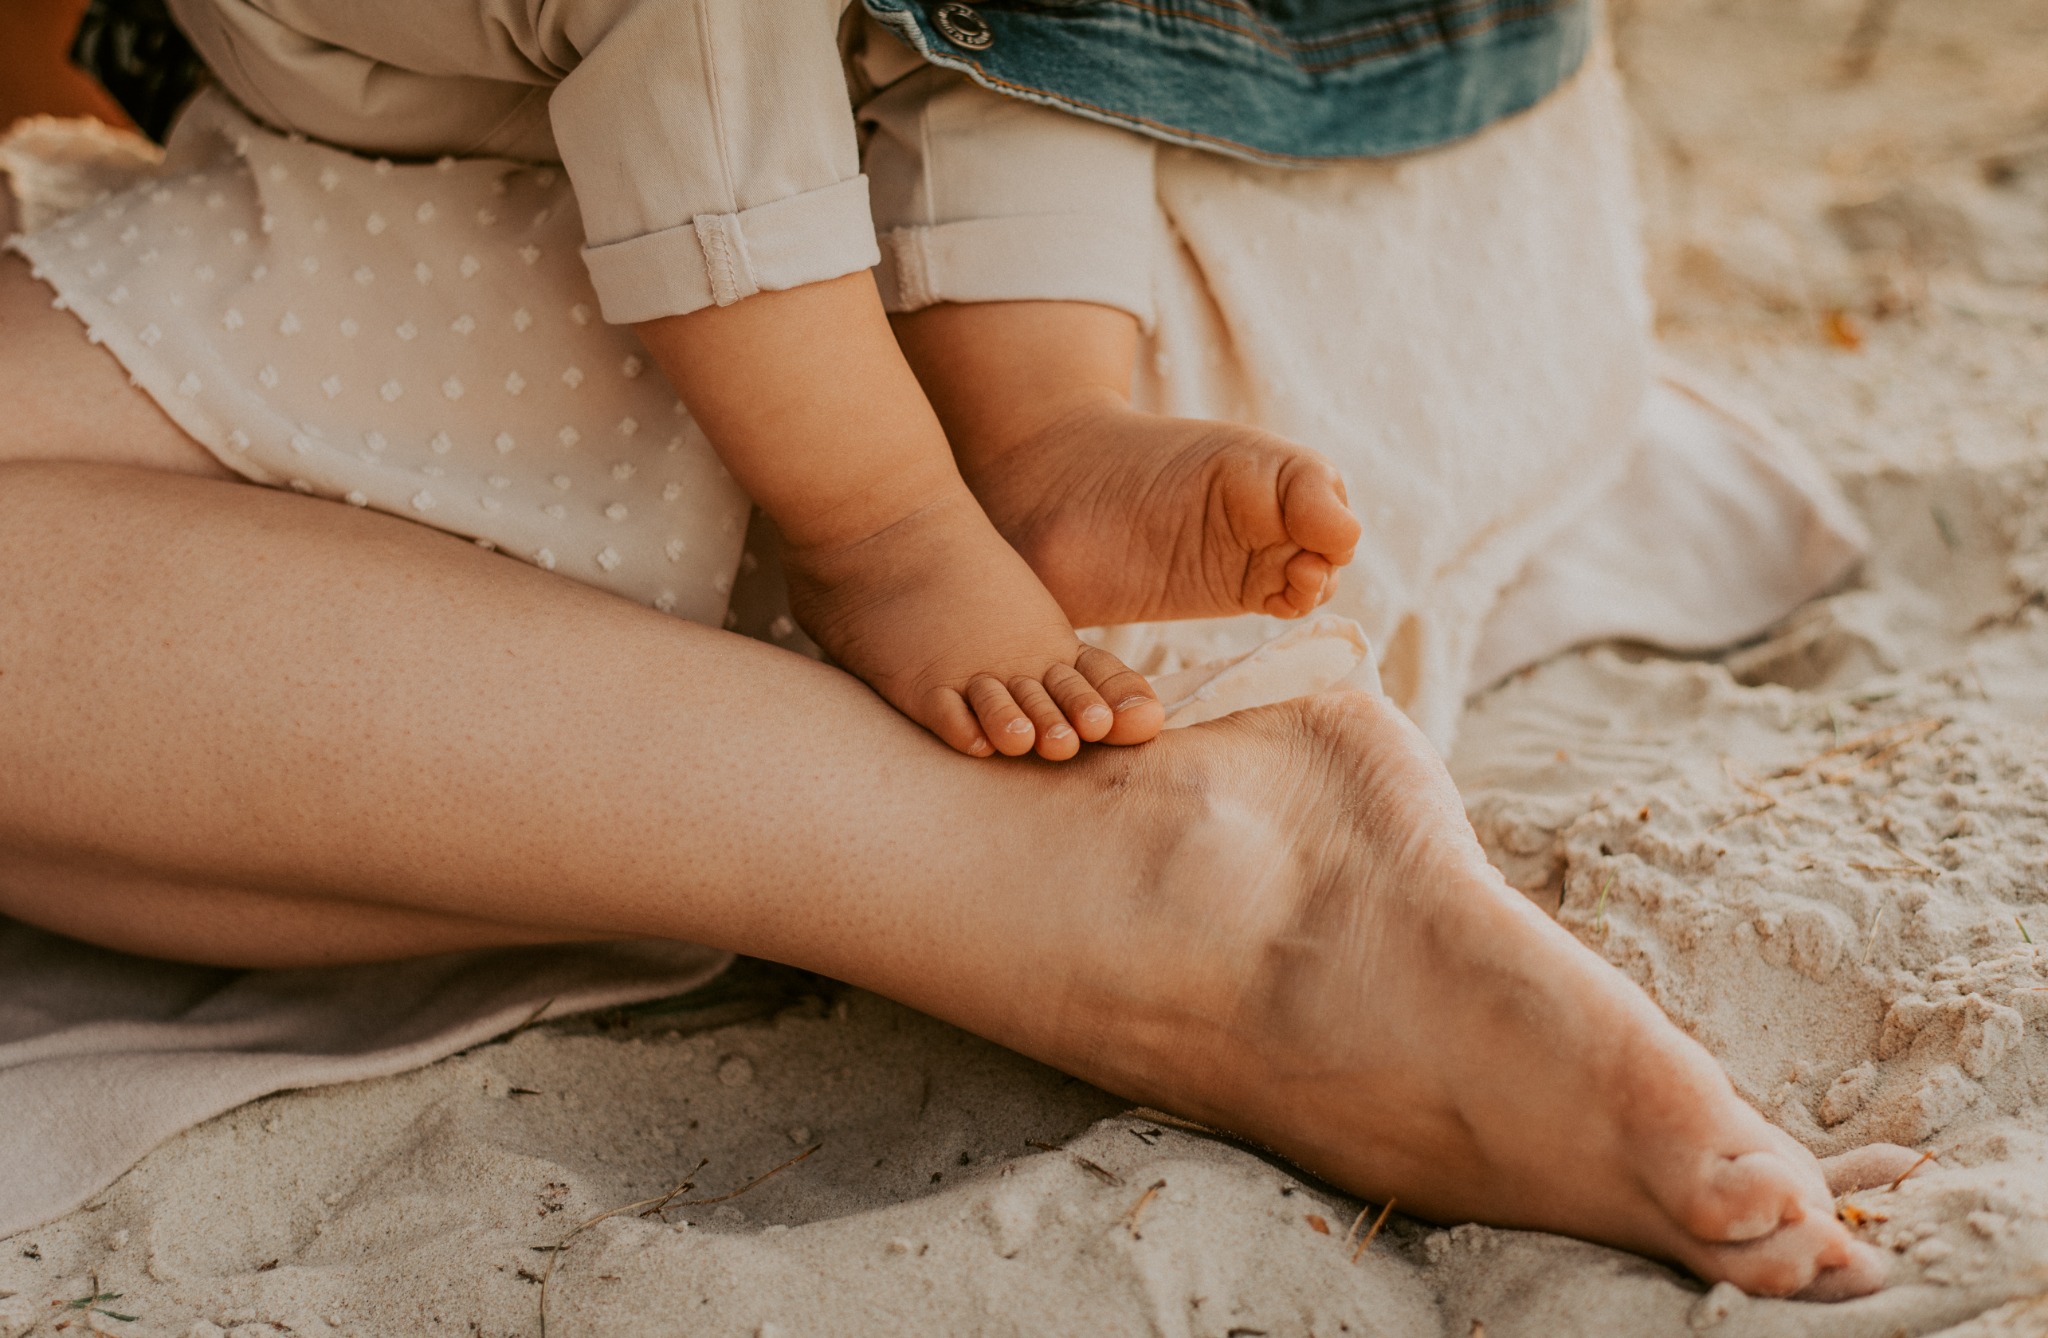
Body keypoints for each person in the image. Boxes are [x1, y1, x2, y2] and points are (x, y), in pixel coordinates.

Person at [0, 0, 1913, 1300]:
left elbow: (702, 64)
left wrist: (890, 525)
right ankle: (1045, 468)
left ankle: (1169, 887)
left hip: (878, 266)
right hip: (1374, 211)